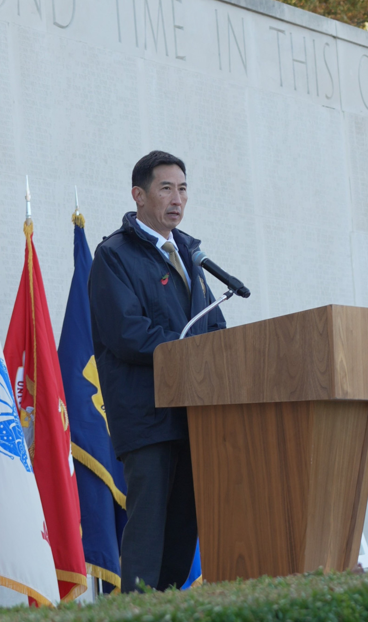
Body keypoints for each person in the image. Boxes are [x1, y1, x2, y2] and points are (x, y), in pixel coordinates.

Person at [88, 151, 226, 592]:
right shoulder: (114, 256)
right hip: (147, 419)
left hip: (194, 415)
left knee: (183, 534)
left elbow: (214, 328)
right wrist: (190, 353)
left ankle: (168, 610)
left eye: (183, 188)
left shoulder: (191, 254)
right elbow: (128, 333)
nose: (177, 199)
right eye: (166, 188)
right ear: (139, 195)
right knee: (148, 535)